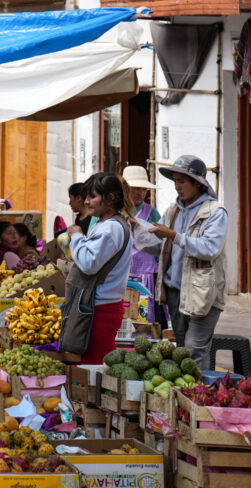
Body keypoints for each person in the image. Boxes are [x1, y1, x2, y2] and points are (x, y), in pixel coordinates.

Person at [152, 155, 227, 369]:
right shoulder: (172, 210)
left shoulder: (215, 213)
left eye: (182, 181)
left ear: (197, 183)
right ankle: (185, 397)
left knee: (195, 349)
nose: (177, 186)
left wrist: (174, 235)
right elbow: (159, 247)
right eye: (175, 181)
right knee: (183, 349)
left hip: (204, 293)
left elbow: (210, 249)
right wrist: (137, 230)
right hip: (176, 291)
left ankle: (198, 395)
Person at [65, 172, 132, 363]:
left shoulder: (111, 228)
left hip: (101, 308)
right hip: (99, 305)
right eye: (86, 196)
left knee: (96, 366)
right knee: (91, 363)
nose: (86, 202)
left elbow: (88, 264)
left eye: (92, 196)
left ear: (110, 199)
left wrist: (77, 236)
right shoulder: (104, 224)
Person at [122, 164, 161, 323]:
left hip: (146, 274)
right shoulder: (115, 211)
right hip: (122, 273)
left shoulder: (151, 212)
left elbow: (160, 243)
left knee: (145, 316)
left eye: (143, 189)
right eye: (135, 188)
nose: (140, 193)